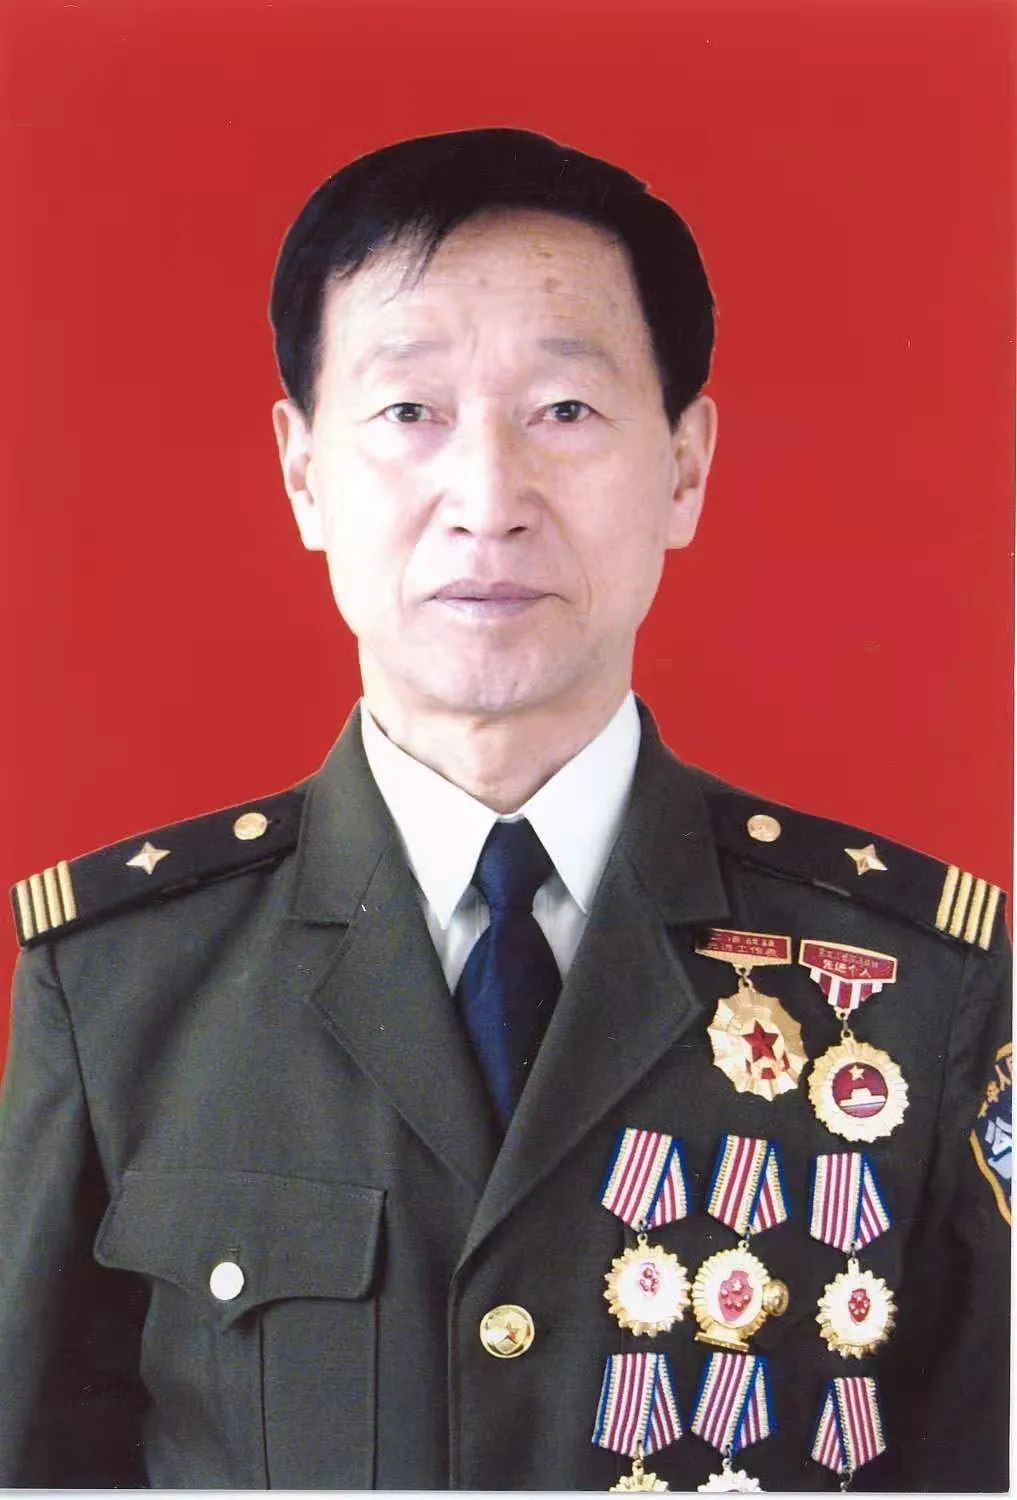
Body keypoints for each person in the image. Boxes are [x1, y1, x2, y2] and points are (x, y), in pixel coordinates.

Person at [1, 128, 1009, 1492]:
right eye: (409, 412)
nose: (487, 502)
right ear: (303, 471)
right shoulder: (121, 985)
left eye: (565, 411)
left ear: (685, 467)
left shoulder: (918, 987)